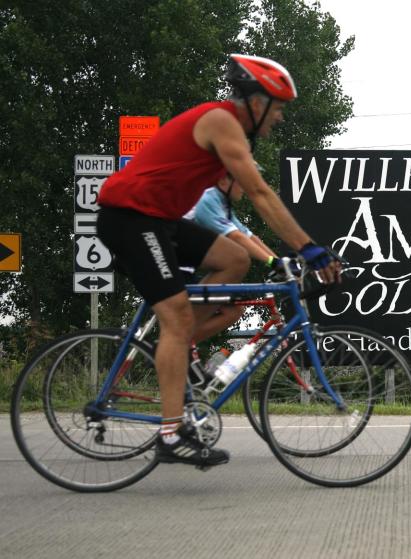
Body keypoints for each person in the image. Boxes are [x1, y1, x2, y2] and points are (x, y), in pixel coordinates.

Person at [97, 54, 341, 468]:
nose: (280, 118)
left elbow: (240, 230)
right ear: (256, 102)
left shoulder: (233, 130)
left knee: (233, 259)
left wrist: (277, 254)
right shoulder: (221, 121)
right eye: (278, 107)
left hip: (161, 220)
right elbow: (261, 195)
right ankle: (171, 434)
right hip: (131, 218)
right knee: (174, 316)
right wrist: (308, 248)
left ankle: (179, 345)